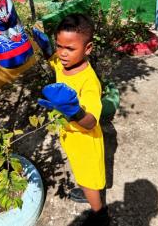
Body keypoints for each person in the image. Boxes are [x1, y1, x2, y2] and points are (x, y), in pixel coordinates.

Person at [32, 13, 110, 225]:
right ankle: (89, 195)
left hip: (86, 141)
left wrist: (72, 110)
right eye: (59, 46)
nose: (63, 54)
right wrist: (47, 49)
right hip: (70, 136)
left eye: (70, 48)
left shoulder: (89, 81)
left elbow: (91, 121)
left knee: (89, 180)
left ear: (88, 48)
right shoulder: (63, 64)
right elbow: (55, 62)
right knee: (81, 172)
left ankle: (99, 214)